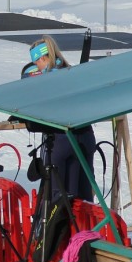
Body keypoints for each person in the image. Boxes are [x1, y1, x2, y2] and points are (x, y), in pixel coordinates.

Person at [28, 36, 97, 202]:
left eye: (36, 62)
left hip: (61, 140)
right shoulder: (70, 72)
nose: (36, 66)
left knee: (57, 198)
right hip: (85, 137)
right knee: (82, 197)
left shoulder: (48, 78)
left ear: (42, 58)